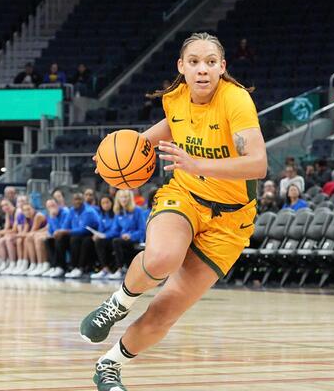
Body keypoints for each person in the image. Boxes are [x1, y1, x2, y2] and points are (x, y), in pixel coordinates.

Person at [79, 32, 265, 391]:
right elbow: (160, 133)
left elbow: (257, 164)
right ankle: (117, 303)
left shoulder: (236, 100)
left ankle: (109, 365)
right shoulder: (175, 99)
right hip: (185, 196)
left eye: (211, 62)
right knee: (162, 257)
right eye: (194, 62)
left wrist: (196, 163)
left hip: (231, 221)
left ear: (223, 68)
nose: (202, 70)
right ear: (181, 67)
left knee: (165, 313)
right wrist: (113, 155)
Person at [103, 189, 147, 279]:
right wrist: (104, 235)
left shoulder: (137, 210)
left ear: (130, 198)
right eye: (121, 197)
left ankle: (120, 269)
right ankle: (105, 269)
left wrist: (131, 236)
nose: (123, 199)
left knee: (116, 242)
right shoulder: (118, 212)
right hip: (122, 240)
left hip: (135, 240)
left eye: (126, 197)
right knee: (101, 241)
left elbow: (142, 230)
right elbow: (115, 230)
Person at [90, 195, 117, 279]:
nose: (105, 205)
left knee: (100, 242)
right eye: (103, 203)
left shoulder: (116, 214)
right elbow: (100, 229)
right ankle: (104, 268)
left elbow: (116, 230)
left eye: (107, 202)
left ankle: (108, 268)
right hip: (104, 239)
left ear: (112, 203)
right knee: (92, 241)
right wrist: (96, 235)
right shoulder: (102, 215)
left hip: (113, 238)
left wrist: (105, 235)